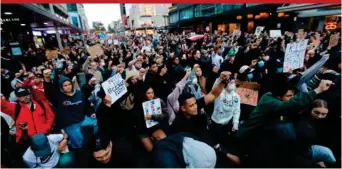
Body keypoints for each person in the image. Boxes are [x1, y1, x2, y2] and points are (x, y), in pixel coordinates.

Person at [237, 73, 334, 167]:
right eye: (289, 96)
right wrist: (318, 90)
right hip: (250, 136)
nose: (292, 98)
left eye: (293, 96)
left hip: (264, 138)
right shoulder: (270, 101)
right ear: (279, 97)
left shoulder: (276, 98)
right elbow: (290, 105)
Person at [169, 71, 241, 165]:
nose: (195, 107)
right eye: (191, 106)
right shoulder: (178, 124)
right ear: (183, 108)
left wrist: (223, 81)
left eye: (195, 104)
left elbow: (213, 94)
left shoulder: (197, 105)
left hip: (207, 140)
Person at [55, 76, 98, 149]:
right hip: (70, 124)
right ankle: (76, 149)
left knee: (98, 122)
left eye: (69, 84)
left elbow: (87, 105)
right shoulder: (58, 98)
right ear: (61, 87)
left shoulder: (79, 93)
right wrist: (62, 130)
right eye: (65, 85)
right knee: (78, 139)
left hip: (82, 118)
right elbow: (58, 116)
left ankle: (95, 139)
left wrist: (91, 113)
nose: (68, 87)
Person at [294, 99, 336, 167]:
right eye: (316, 112)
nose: (319, 116)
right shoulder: (301, 122)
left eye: (323, 114)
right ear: (310, 109)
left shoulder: (326, 122)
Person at [210, 78, 240, 144]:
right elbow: (214, 89)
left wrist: (235, 123)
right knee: (213, 141)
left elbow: (237, 110)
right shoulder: (219, 92)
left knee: (224, 140)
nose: (232, 84)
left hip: (227, 122)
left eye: (233, 83)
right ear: (226, 83)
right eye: (230, 83)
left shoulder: (236, 96)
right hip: (216, 122)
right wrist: (220, 78)